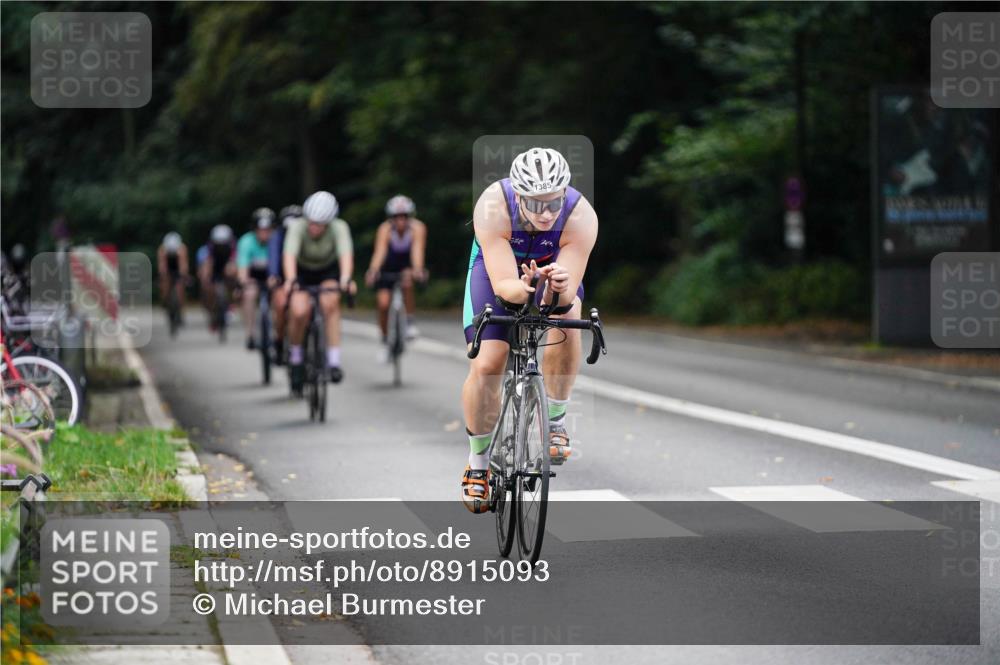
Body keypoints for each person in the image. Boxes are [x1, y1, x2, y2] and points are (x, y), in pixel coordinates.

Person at [459, 147, 598, 513]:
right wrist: (525, 288)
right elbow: (506, 285)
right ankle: (478, 467)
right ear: (518, 195)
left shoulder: (581, 215)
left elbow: (564, 296)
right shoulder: (494, 205)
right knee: (490, 361)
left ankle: (555, 421)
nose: (547, 212)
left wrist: (553, 286)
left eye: (554, 202)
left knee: (569, 317)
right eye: (535, 205)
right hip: (497, 274)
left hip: (553, 274)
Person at [282, 191, 355, 393]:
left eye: (319, 224)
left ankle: (333, 362)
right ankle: (296, 358)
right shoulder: (297, 227)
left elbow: (345, 254)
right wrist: (290, 279)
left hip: (327, 270)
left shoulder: (339, 228)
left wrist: (346, 278)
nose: (313, 227)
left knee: (330, 304)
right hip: (302, 271)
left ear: (329, 222)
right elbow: (289, 254)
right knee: (298, 311)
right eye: (311, 222)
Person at [364, 195, 428, 362]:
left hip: (406, 265)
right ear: (391, 218)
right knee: (383, 304)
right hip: (388, 266)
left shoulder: (418, 228)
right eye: (397, 217)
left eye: (404, 216)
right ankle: (385, 340)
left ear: (410, 216)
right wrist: (373, 270)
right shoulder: (385, 229)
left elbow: (417, 251)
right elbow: (380, 252)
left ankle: (409, 323)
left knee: (407, 281)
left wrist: (418, 270)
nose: (401, 221)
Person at [268, 205, 302, 365]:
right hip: (283, 278)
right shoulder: (277, 237)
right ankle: (279, 341)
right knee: (281, 304)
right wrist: (274, 276)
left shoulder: (307, 234)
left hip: (304, 278)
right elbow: (274, 258)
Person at [236, 209, 275, 350]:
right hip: (253, 277)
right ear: (255, 229)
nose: (264, 233)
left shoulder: (276, 240)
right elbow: (242, 266)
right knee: (249, 294)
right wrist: (243, 280)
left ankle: (279, 334)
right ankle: (250, 334)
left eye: (267, 229)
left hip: (273, 276)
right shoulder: (246, 241)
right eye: (261, 230)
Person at [200, 224, 236, 330]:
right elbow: (208, 262)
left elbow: (235, 261)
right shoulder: (210, 246)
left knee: (232, 275)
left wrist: (232, 269)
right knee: (208, 288)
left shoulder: (233, 245)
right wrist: (206, 277)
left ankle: (230, 304)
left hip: (227, 265)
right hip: (215, 267)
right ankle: (212, 312)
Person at [156, 232, 190, 320]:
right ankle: (165, 301)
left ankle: (181, 308)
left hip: (178, 268)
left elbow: (183, 265)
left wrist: (183, 275)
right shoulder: (162, 249)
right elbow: (162, 265)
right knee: (165, 285)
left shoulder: (182, 248)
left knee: (180, 288)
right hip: (168, 268)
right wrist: (163, 275)